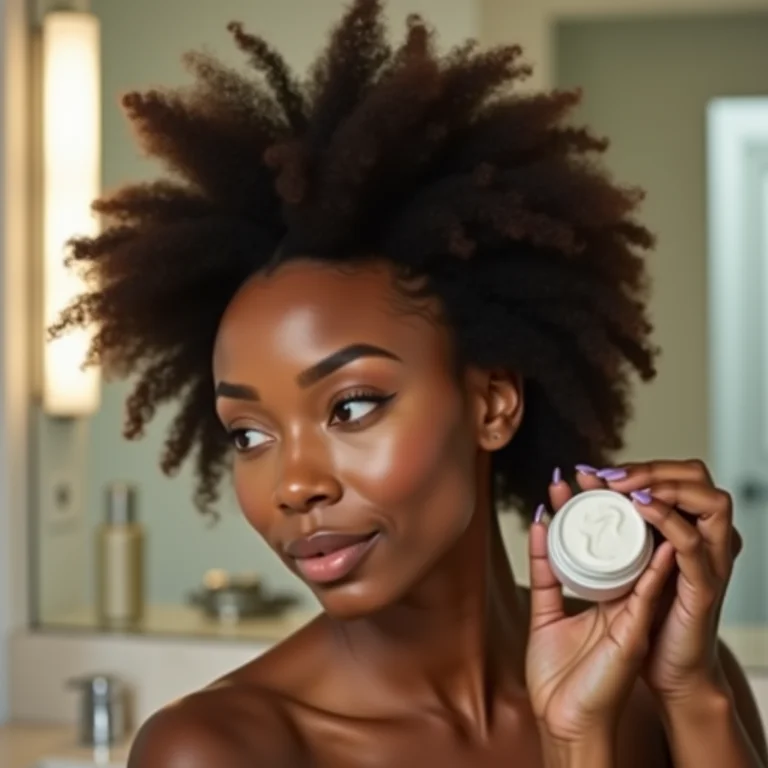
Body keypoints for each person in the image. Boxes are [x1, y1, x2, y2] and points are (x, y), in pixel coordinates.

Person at [51, 1, 768, 765]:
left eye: (351, 406)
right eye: (250, 434)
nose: (293, 485)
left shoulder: (666, 684)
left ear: (493, 402)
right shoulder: (219, 749)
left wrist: (686, 697)